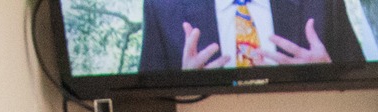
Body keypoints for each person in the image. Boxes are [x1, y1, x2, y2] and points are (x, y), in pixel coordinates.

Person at [137, 0, 362, 71]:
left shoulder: (321, 3)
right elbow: (145, 102)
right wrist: (181, 87)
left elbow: (363, 84)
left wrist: (330, 73)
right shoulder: (162, 7)